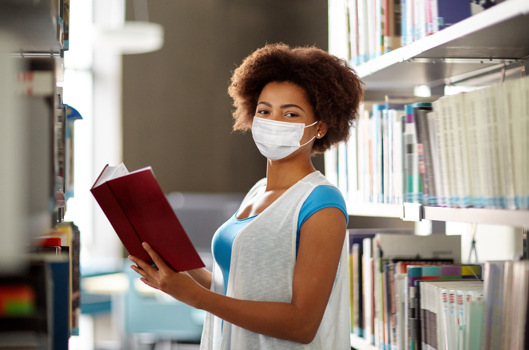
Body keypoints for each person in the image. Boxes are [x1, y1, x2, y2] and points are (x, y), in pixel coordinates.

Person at [128, 43, 364, 350]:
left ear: (320, 128)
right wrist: (173, 266)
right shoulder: (257, 192)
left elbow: (302, 324)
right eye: (264, 110)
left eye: (291, 113)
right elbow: (233, 287)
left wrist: (197, 298)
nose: (273, 122)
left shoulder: (321, 204)